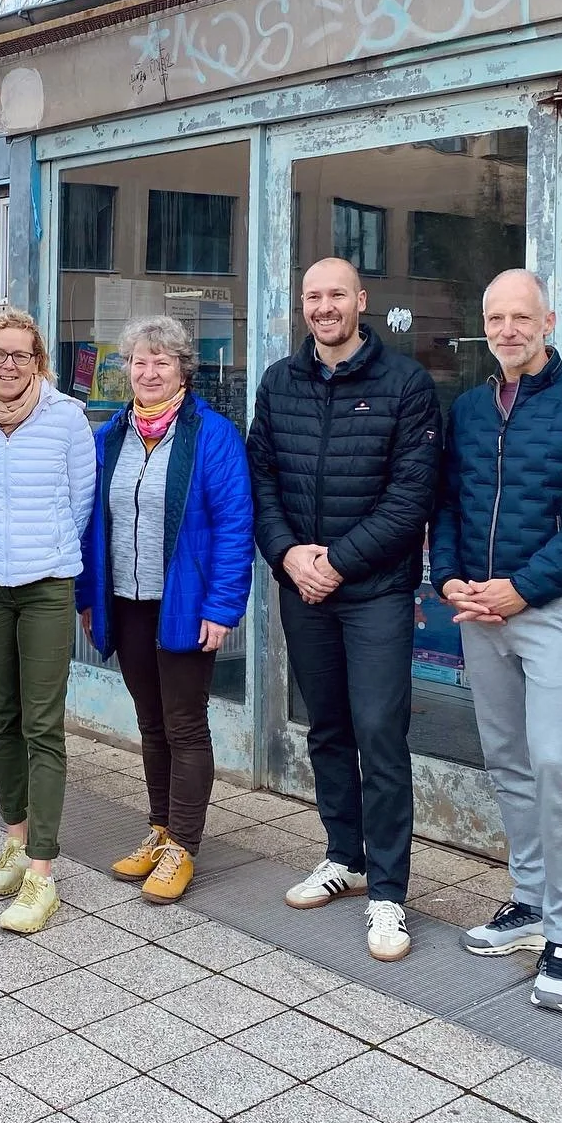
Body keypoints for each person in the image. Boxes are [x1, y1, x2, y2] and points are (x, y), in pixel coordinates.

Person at [431, 268, 562, 1012]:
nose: (508, 330)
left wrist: (521, 587)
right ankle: (530, 900)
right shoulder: (471, 409)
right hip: (479, 611)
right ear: (483, 326)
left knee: (553, 760)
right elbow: (450, 503)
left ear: (548, 322)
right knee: (508, 760)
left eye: (521, 317)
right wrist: (449, 578)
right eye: (496, 318)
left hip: (553, 609)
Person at [247, 257, 441, 962]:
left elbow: (412, 497)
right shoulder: (279, 382)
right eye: (312, 296)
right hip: (304, 587)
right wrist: (288, 555)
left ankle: (388, 892)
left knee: (380, 733)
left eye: (336, 294)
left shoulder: (406, 384)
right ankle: (344, 856)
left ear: (361, 300)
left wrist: (336, 562)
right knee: (327, 727)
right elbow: (261, 479)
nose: (324, 307)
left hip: (375, 592)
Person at [78, 316, 254, 904]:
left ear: (183, 369)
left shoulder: (212, 435)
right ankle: (160, 829)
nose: (149, 372)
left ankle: (184, 844)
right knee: (150, 723)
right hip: (126, 603)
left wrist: (222, 607)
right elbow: (91, 525)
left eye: (162, 361)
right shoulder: (111, 435)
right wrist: (88, 597)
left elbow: (234, 527)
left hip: (185, 604)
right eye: (139, 361)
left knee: (185, 724)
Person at [0, 309, 96, 934]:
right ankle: (15, 837)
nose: (9, 365)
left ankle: (43, 872)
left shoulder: (67, 418)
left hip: (47, 584)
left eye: (21, 355)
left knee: (42, 722)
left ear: (38, 362)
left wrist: (44, 550)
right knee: (0, 715)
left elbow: (80, 501)